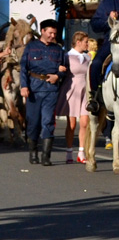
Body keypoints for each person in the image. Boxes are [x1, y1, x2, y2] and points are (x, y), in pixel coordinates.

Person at [20, 19, 67, 166]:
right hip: (34, 89)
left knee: (48, 122)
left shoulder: (58, 50)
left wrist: (57, 76)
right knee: (33, 123)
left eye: (55, 33)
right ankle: (33, 153)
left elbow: (65, 69)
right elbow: (23, 68)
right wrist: (23, 86)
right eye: (50, 32)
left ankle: (46, 156)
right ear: (43, 31)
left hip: (51, 90)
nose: (53, 36)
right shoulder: (31, 47)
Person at [56, 30, 92, 164]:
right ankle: (69, 151)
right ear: (78, 42)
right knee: (71, 124)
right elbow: (59, 71)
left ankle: (81, 152)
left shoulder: (88, 57)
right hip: (72, 90)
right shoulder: (67, 56)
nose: (87, 44)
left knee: (84, 122)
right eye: (86, 42)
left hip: (85, 90)